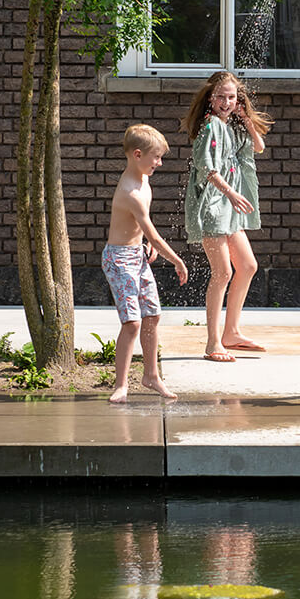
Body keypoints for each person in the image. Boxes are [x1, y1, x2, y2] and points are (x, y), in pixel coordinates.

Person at [182, 71, 272, 362]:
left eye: (231, 97)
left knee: (247, 265)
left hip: (228, 208)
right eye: (221, 96)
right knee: (223, 273)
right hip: (213, 205)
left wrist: (246, 119)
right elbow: (207, 170)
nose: (226, 101)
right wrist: (231, 194)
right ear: (210, 97)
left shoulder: (232, 126)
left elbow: (259, 146)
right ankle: (212, 343)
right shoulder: (210, 127)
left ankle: (231, 332)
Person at [102, 123, 188, 403]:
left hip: (137, 254)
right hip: (119, 259)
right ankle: (122, 384)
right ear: (137, 155)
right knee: (132, 323)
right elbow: (152, 230)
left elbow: (142, 228)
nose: (160, 163)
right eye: (156, 157)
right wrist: (176, 260)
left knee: (152, 315)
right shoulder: (131, 193)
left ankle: (151, 375)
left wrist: (145, 243)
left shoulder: (143, 180)